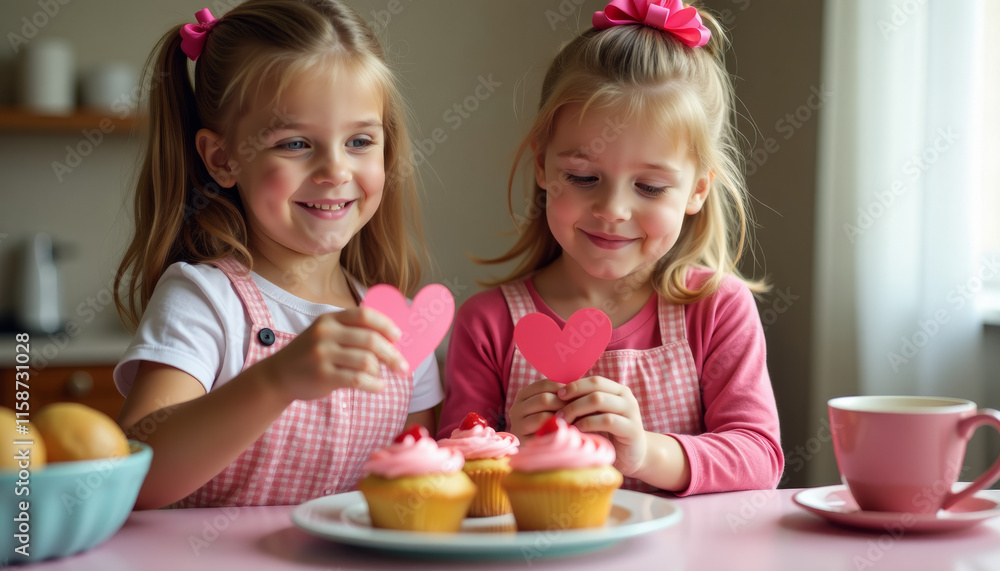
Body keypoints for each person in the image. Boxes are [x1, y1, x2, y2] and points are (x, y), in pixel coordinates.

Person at [439, 0, 783, 495]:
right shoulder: (489, 323)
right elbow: (450, 473)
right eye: (583, 177)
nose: (613, 210)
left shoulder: (715, 310)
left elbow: (759, 456)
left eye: (649, 187)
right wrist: (513, 444)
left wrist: (644, 451)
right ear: (542, 168)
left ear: (698, 190)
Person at [112, 0, 440, 509]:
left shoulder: (397, 322)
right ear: (222, 159)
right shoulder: (204, 299)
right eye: (294, 144)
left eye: (359, 140)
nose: (335, 170)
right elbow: (136, 471)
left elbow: (423, 484)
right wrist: (276, 379)